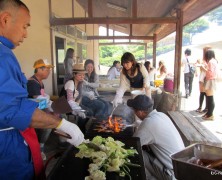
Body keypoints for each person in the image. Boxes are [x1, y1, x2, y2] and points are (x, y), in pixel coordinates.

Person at [0, 1, 84, 179]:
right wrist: (61, 124)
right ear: (5, 19)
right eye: (24, 26)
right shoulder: (2, 56)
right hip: (6, 147)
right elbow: (13, 109)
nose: (25, 33)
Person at [127, 95, 185, 180]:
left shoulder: (148, 123)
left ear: (140, 112)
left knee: (136, 153)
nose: (134, 113)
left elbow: (132, 145)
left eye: (134, 110)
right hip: (182, 168)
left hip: (172, 174)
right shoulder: (161, 115)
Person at [27, 58, 54, 161]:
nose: (49, 72)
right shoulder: (32, 83)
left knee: (61, 115)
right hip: (31, 113)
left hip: (39, 109)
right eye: (47, 70)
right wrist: (50, 106)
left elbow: (42, 99)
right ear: (39, 70)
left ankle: (62, 142)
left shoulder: (40, 82)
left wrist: (51, 105)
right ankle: (40, 148)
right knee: (48, 124)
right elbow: (38, 101)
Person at [62, 63, 92, 133]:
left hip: (74, 104)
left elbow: (80, 95)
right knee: (84, 113)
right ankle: (80, 130)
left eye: (83, 75)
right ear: (74, 75)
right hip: (65, 106)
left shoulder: (79, 83)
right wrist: (78, 109)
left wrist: (79, 105)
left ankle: (81, 127)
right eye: (80, 75)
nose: (82, 77)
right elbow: (69, 100)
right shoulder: (70, 83)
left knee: (89, 111)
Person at [201, 49, 218, 120]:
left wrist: (203, 68)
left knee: (210, 98)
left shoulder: (210, 62)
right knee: (209, 97)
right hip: (212, 80)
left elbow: (209, 72)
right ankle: (209, 113)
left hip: (210, 80)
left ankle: (210, 114)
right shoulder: (214, 61)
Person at [195, 46, 211, 113]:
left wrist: (202, 66)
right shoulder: (204, 60)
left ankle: (206, 108)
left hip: (206, 78)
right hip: (202, 77)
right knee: (202, 93)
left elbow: (208, 71)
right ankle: (201, 107)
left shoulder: (210, 61)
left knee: (206, 94)